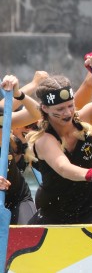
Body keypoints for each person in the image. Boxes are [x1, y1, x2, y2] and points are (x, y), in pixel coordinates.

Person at [26, 53, 92, 224]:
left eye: (70, 106)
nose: (67, 113)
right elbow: (63, 168)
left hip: (90, 209)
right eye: (59, 109)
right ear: (44, 108)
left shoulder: (86, 116)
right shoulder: (44, 139)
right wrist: (91, 173)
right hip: (54, 215)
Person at [0, 74, 41, 224]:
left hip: (18, 198)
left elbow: (37, 113)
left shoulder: (3, 119)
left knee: (29, 234)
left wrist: (19, 93)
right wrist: (34, 82)